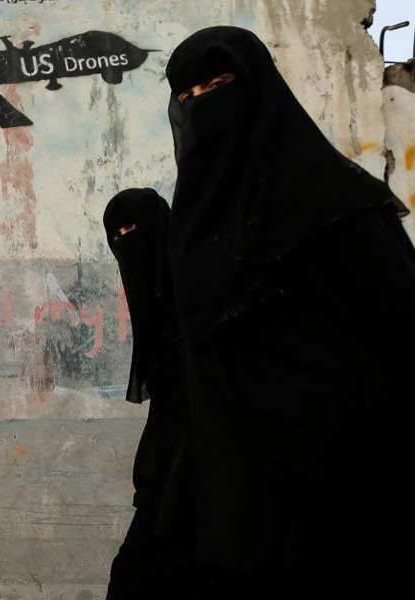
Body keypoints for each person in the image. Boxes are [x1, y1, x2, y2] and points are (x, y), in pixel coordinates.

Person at [164, 26, 415, 598]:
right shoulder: (194, 229)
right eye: (186, 96)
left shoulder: (339, 206)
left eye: (217, 86)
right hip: (241, 507)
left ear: (259, 89)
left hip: (344, 495)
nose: (202, 106)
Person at [102, 189, 194, 599]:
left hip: (196, 482)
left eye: (133, 230)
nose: (126, 242)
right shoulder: (158, 306)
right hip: (170, 480)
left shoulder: (193, 295)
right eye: (117, 236)